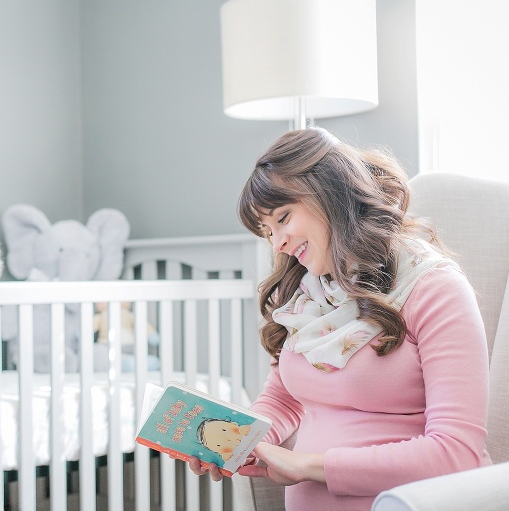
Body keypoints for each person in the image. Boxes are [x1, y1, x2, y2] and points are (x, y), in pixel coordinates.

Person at [188, 127, 492, 510]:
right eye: (267, 230)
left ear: (331, 194)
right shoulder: (307, 294)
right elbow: (282, 400)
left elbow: (456, 452)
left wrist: (308, 467)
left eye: (283, 218)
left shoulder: (434, 288)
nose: (276, 243)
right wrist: (243, 441)